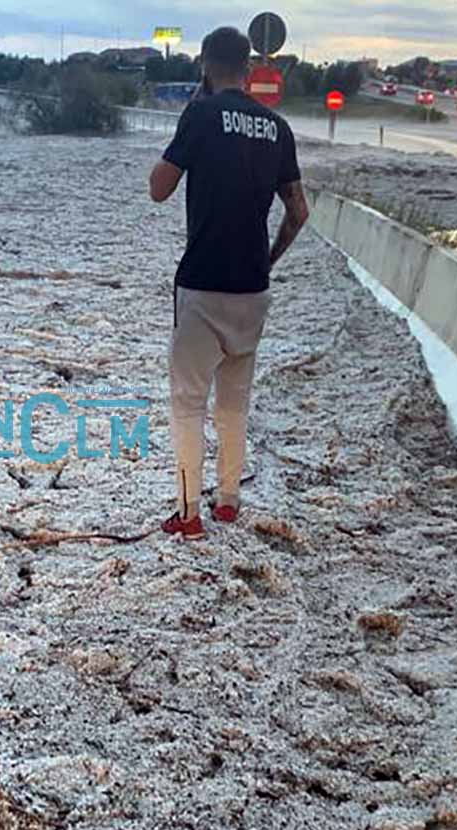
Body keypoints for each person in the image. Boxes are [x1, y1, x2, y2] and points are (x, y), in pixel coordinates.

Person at [148, 26, 310, 540]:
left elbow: (158, 189)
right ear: (248, 66)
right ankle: (228, 501)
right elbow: (298, 211)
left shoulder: (200, 114)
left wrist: (194, 110)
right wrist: (268, 258)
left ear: (204, 64)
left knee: (188, 402)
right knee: (235, 403)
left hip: (202, 284)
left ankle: (188, 513)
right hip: (252, 287)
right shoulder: (277, 127)